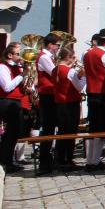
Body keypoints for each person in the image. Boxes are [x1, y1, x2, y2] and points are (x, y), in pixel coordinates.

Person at [81, 28, 105, 171]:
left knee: (93, 128)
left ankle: (90, 161)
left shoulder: (87, 54)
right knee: (102, 129)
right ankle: (95, 161)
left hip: (92, 94)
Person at [50, 48, 84, 172]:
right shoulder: (69, 71)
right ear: (69, 57)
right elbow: (79, 87)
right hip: (70, 104)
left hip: (60, 104)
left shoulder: (55, 69)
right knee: (70, 132)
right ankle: (67, 159)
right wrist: (82, 76)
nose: (75, 59)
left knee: (62, 132)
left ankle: (59, 159)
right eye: (73, 57)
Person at [34, 33, 61, 175]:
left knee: (52, 126)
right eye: (57, 45)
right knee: (49, 127)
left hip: (51, 94)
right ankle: (45, 161)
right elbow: (55, 73)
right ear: (50, 45)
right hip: (47, 95)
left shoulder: (48, 57)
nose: (58, 48)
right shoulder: (44, 57)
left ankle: (51, 158)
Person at [0, 43, 27, 172]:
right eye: (17, 54)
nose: (20, 56)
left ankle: (7, 160)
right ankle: (6, 162)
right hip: (6, 101)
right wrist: (21, 76)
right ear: (9, 55)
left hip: (16, 101)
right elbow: (7, 87)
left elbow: (21, 86)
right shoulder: (3, 67)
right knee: (11, 132)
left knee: (15, 132)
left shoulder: (19, 68)